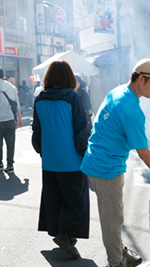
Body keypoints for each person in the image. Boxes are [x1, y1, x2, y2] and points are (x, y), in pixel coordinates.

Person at [81, 58, 150, 267]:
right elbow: (144, 153)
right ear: (140, 79)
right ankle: (116, 262)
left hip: (97, 160)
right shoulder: (131, 109)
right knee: (112, 220)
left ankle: (118, 251)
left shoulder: (118, 91)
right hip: (106, 168)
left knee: (113, 215)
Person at [32, 60, 90, 259]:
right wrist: (85, 154)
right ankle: (66, 236)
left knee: (54, 199)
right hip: (72, 159)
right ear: (69, 77)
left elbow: (36, 130)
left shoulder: (39, 98)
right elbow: (81, 129)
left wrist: (43, 151)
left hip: (49, 159)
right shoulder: (72, 97)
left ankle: (63, 235)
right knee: (76, 200)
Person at [0, 66, 23, 174]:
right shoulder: (12, 88)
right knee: (10, 143)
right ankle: (10, 165)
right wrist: (19, 118)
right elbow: (17, 104)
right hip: (10, 120)